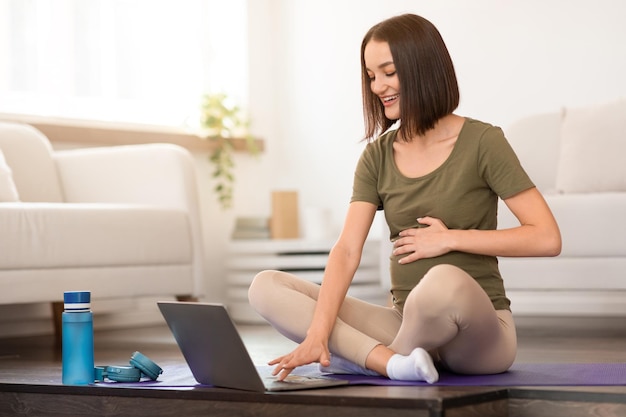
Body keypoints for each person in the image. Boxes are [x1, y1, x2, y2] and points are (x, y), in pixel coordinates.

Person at [248, 13, 561, 383]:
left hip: (478, 335)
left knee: (442, 280)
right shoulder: (376, 156)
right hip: (402, 320)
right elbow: (347, 249)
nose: (378, 86)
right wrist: (317, 331)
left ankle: (370, 358)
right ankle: (392, 363)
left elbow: (546, 237)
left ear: (421, 68)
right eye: (370, 76)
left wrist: (450, 238)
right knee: (265, 286)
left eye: (388, 72)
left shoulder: (483, 142)